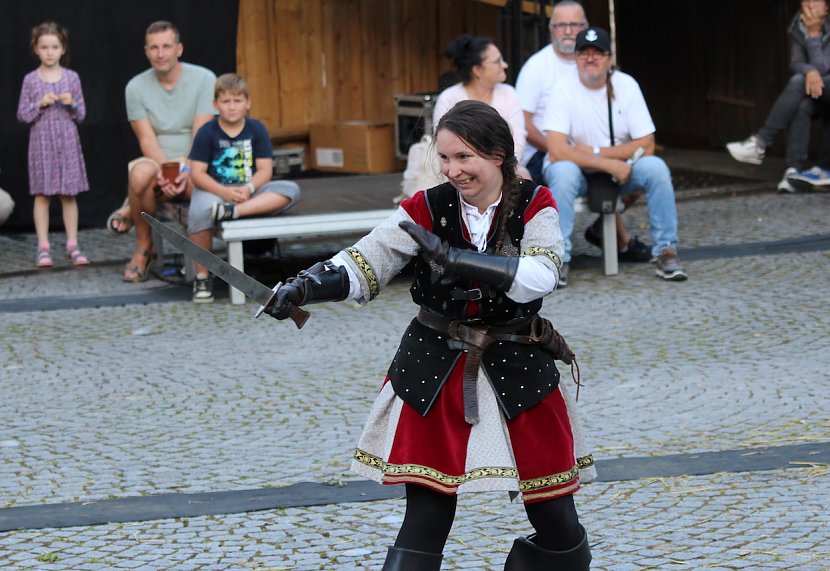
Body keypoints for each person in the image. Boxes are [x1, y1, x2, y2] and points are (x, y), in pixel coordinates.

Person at [264, 101, 596, 570]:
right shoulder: (426, 207)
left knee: (556, 515)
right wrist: (304, 286)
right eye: (444, 158)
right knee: (427, 511)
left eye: (465, 157)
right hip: (435, 365)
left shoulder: (536, 202)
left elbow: (540, 274)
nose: (453, 170)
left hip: (520, 364)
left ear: (498, 154)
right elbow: (367, 261)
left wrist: (460, 260)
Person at [515, 1, 650, 283]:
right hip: (543, 149)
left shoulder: (598, 62)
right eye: (561, 25)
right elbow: (523, 123)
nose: (567, 30)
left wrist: (597, 154)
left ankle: (608, 231)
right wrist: (561, 149)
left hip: (588, 147)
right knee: (566, 171)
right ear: (551, 29)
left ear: (585, 28)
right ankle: (601, 245)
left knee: (636, 169)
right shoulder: (536, 68)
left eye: (574, 25)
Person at [543, 28, 688, 282]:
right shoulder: (562, 88)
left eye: (598, 53)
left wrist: (600, 155)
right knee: (562, 173)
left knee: (655, 168)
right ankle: (559, 258)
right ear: (575, 58)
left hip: (620, 169)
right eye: (584, 53)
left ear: (609, 58)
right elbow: (556, 150)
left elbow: (647, 144)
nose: (590, 58)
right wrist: (608, 164)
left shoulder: (626, 84)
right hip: (576, 170)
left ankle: (666, 251)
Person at [108, 21, 217, 283]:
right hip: (156, 162)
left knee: (163, 184)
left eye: (166, 46)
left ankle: (129, 207)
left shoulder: (204, 79)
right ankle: (145, 247)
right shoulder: (135, 87)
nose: (160, 54)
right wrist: (168, 172)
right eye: (154, 48)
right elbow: (146, 139)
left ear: (179, 49)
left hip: (196, 162)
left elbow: (202, 135)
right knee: (140, 175)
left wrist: (185, 168)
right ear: (146, 51)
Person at [186, 73, 300, 303]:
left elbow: (265, 170)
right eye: (226, 102)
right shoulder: (207, 131)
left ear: (247, 103)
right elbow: (197, 173)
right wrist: (223, 192)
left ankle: (234, 212)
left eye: (237, 101)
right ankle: (202, 276)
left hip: (249, 192)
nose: (231, 107)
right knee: (198, 211)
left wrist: (248, 189)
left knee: (290, 189)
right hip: (215, 191)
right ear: (215, 104)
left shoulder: (256, 128)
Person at [726, 0, 830, 193]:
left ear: (827, 5)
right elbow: (796, 62)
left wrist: (813, 36)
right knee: (802, 105)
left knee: (798, 83)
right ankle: (793, 170)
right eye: (806, 1)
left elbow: (823, 67)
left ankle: (761, 142)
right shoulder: (799, 25)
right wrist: (809, 72)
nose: (810, 6)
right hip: (818, 86)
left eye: (816, 1)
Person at [16, 21, 90, 268]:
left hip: (67, 142)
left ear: (63, 49)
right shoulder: (30, 80)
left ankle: (72, 245)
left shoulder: (72, 78)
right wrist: (39, 104)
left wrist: (72, 103)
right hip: (42, 144)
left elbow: (81, 115)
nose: (49, 52)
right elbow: (22, 115)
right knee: (42, 195)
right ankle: (43, 246)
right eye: (44, 47)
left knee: (69, 195)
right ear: (36, 49)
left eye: (54, 47)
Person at [432, 34, 530, 180]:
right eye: (497, 61)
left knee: (524, 178)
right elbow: (443, 146)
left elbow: (518, 140)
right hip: (459, 169)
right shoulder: (449, 98)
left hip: (505, 166)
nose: (505, 65)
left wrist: (498, 168)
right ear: (477, 70)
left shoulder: (508, 93)